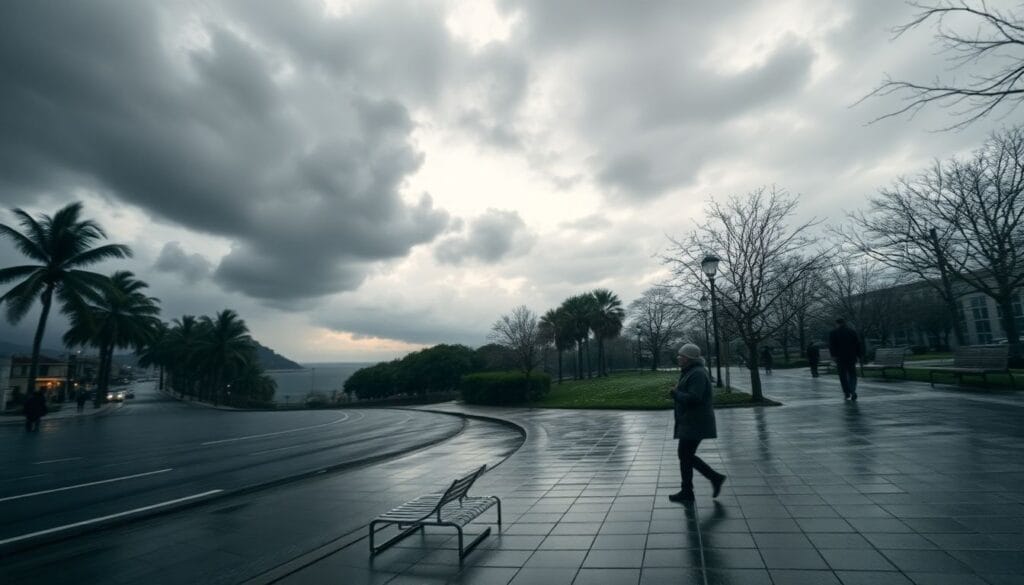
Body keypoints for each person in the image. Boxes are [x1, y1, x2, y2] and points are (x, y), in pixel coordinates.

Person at [668, 343, 726, 504]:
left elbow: (694, 398)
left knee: (685, 455)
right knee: (685, 455)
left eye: (681, 355)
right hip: (690, 421)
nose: (678, 357)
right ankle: (690, 490)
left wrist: (676, 394)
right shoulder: (691, 371)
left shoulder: (698, 374)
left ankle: (712, 479)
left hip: (695, 422)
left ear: (689, 358)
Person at [828, 318, 863, 401]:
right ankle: (853, 390)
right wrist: (858, 355)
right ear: (845, 323)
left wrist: (833, 355)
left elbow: (832, 345)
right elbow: (857, 344)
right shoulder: (852, 332)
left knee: (842, 375)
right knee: (852, 374)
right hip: (851, 356)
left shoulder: (833, 333)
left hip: (840, 357)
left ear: (837, 323)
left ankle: (847, 392)